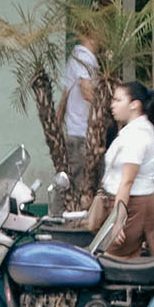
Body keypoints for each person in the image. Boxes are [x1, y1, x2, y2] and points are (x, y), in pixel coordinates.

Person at [101, 80, 154, 257]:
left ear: (135, 105)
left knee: (111, 261)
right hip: (132, 204)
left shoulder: (137, 135)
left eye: (118, 100)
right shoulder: (135, 130)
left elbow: (127, 181)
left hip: (132, 206)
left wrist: (118, 221)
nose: (112, 105)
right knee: (129, 261)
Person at [54, 27, 102, 192]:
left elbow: (65, 96)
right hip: (83, 132)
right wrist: (106, 106)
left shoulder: (75, 55)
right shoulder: (84, 57)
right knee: (84, 185)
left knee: (76, 182)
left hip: (74, 130)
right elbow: (86, 90)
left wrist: (58, 126)